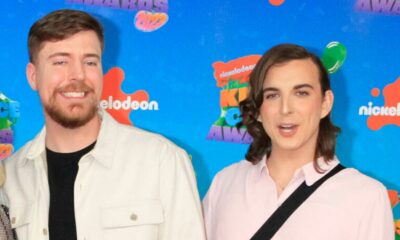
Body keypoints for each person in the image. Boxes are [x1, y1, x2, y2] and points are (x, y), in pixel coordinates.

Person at [1, 9, 205, 240]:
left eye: (90, 61)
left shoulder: (162, 161)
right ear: (33, 76)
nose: (78, 75)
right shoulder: (11, 176)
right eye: (60, 61)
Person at [203, 44, 394, 240]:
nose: (285, 109)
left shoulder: (365, 196)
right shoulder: (225, 184)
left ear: (325, 103)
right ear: (258, 109)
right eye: (272, 95)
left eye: (301, 93)